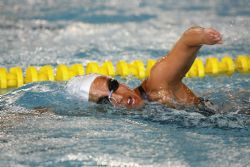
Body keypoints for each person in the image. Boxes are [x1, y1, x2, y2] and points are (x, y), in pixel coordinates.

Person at [67, 27, 223, 114]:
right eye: (105, 100)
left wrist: (202, 36)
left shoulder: (158, 83)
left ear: (119, 81)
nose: (118, 97)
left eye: (113, 86)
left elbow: (187, 41)